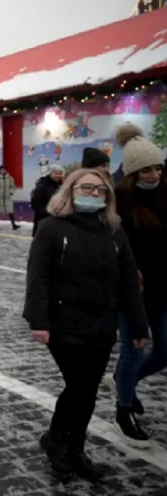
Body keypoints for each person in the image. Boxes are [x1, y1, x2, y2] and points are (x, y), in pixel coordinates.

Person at [23, 168, 147, 480]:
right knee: (79, 387)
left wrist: (138, 324)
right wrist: (38, 320)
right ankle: (59, 443)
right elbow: (38, 277)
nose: (94, 193)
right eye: (87, 187)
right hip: (63, 323)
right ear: (70, 190)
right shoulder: (52, 228)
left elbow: (129, 283)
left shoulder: (114, 231)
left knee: (86, 391)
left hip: (102, 324)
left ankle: (71, 446)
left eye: (100, 190)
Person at [111, 123, 167, 448]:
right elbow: (113, 246)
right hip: (133, 291)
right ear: (132, 172)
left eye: (157, 166)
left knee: (163, 352)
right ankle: (124, 409)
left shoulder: (165, 193)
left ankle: (122, 382)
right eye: (145, 169)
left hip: (163, 289)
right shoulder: (120, 202)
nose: (153, 173)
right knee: (133, 352)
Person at [31, 164, 65, 237]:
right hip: (43, 221)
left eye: (60, 173)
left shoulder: (61, 185)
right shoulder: (42, 184)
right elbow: (35, 204)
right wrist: (49, 212)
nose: (58, 176)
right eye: (55, 173)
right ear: (50, 173)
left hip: (57, 221)